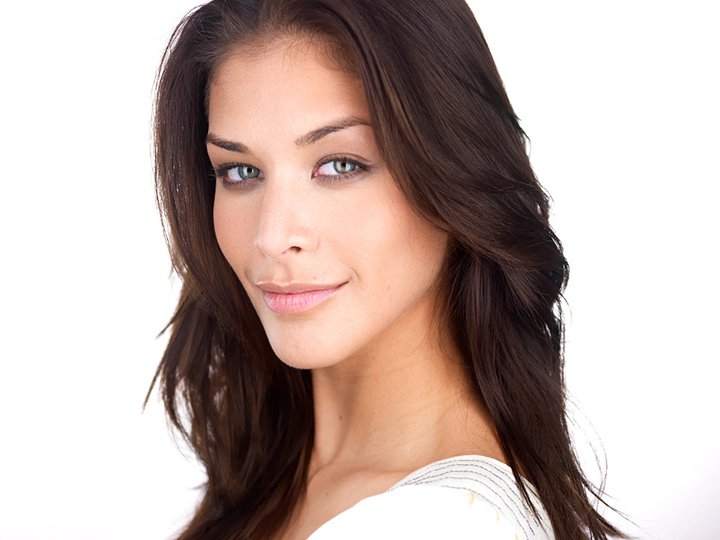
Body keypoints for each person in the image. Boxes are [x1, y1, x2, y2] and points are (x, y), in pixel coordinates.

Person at [148, 0, 627, 538]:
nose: (272, 237)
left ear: (452, 170)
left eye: (340, 165)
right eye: (240, 171)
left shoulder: (446, 524)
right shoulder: (273, 478)